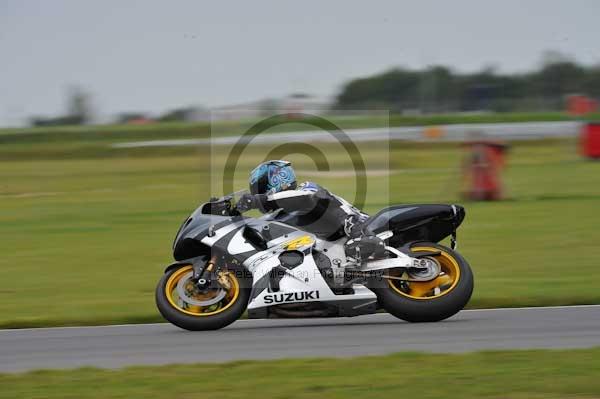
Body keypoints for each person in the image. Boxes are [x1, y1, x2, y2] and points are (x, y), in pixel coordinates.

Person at [235, 160, 385, 262]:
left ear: (276, 179)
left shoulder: (305, 189)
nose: (258, 193)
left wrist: (257, 200)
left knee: (316, 201)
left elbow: (303, 197)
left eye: (260, 189)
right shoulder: (282, 213)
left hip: (366, 225)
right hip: (333, 249)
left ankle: (359, 234)